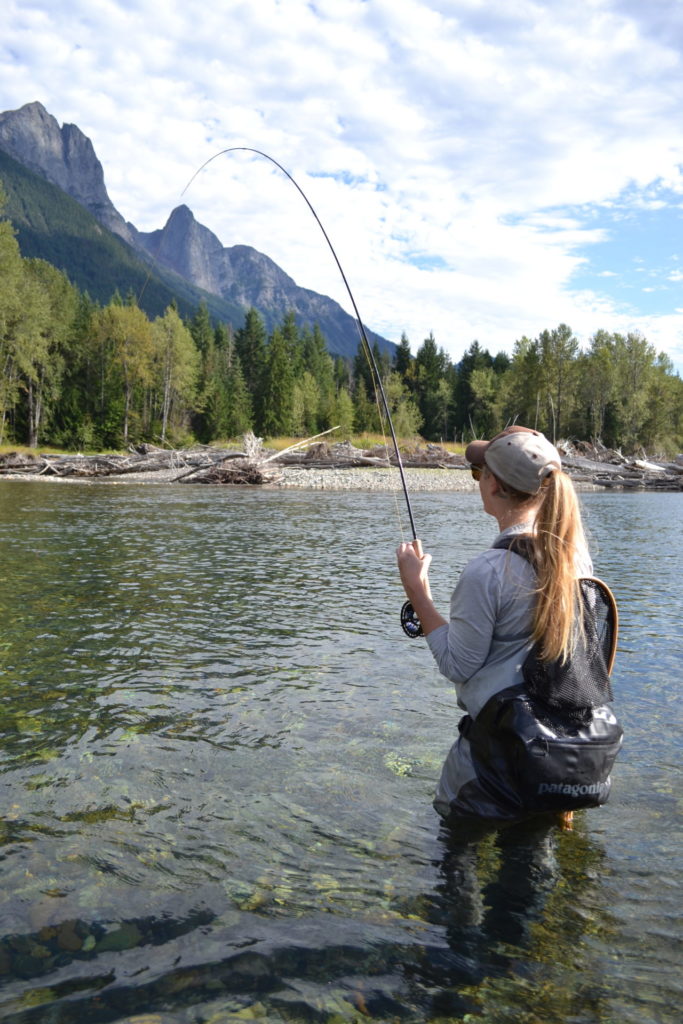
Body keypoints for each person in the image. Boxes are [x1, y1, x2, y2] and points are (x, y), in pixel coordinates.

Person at [396, 425, 592, 825]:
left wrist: (418, 593)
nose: (478, 480)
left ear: (495, 486)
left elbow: (457, 664)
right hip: (554, 760)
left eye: (479, 472)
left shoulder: (487, 571)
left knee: (456, 868)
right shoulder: (576, 561)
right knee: (531, 873)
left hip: (492, 762)